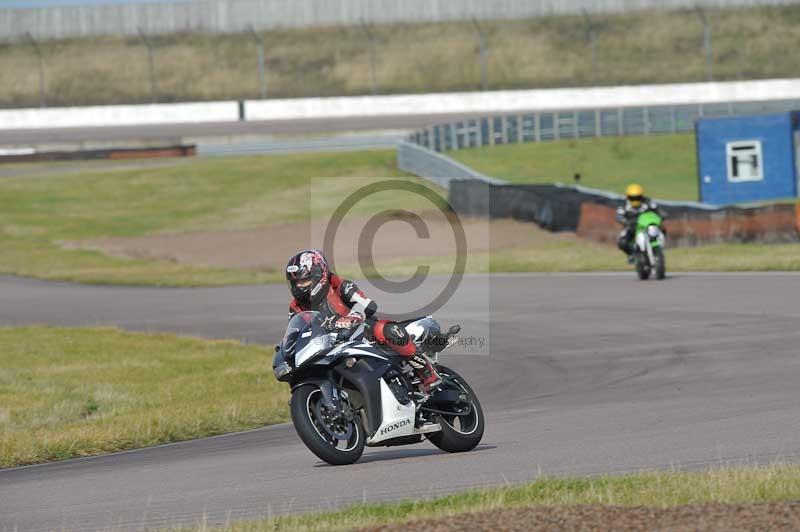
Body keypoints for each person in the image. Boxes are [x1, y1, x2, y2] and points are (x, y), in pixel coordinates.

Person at [285, 249, 443, 393]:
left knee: (384, 330)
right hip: (330, 345)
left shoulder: (340, 286)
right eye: (295, 283)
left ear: (320, 275)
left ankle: (427, 372)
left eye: (304, 281)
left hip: (362, 333)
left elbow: (368, 305)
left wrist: (353, 317)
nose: (299, 287)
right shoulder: (296, 307)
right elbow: (297, 332)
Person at [616, 184, 666, 263]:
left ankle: (657, 247)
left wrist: (662, 215)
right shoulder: (624, 204)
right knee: (622, 241)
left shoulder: (648, 202)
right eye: (632, 198)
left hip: (646, 225)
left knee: (662, 229)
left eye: (637, 197)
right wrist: (625, 221)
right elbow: (619, 216)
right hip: (632, 226)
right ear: (628, 197)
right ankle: (632, 254)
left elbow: (658, 210)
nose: (635, 200)